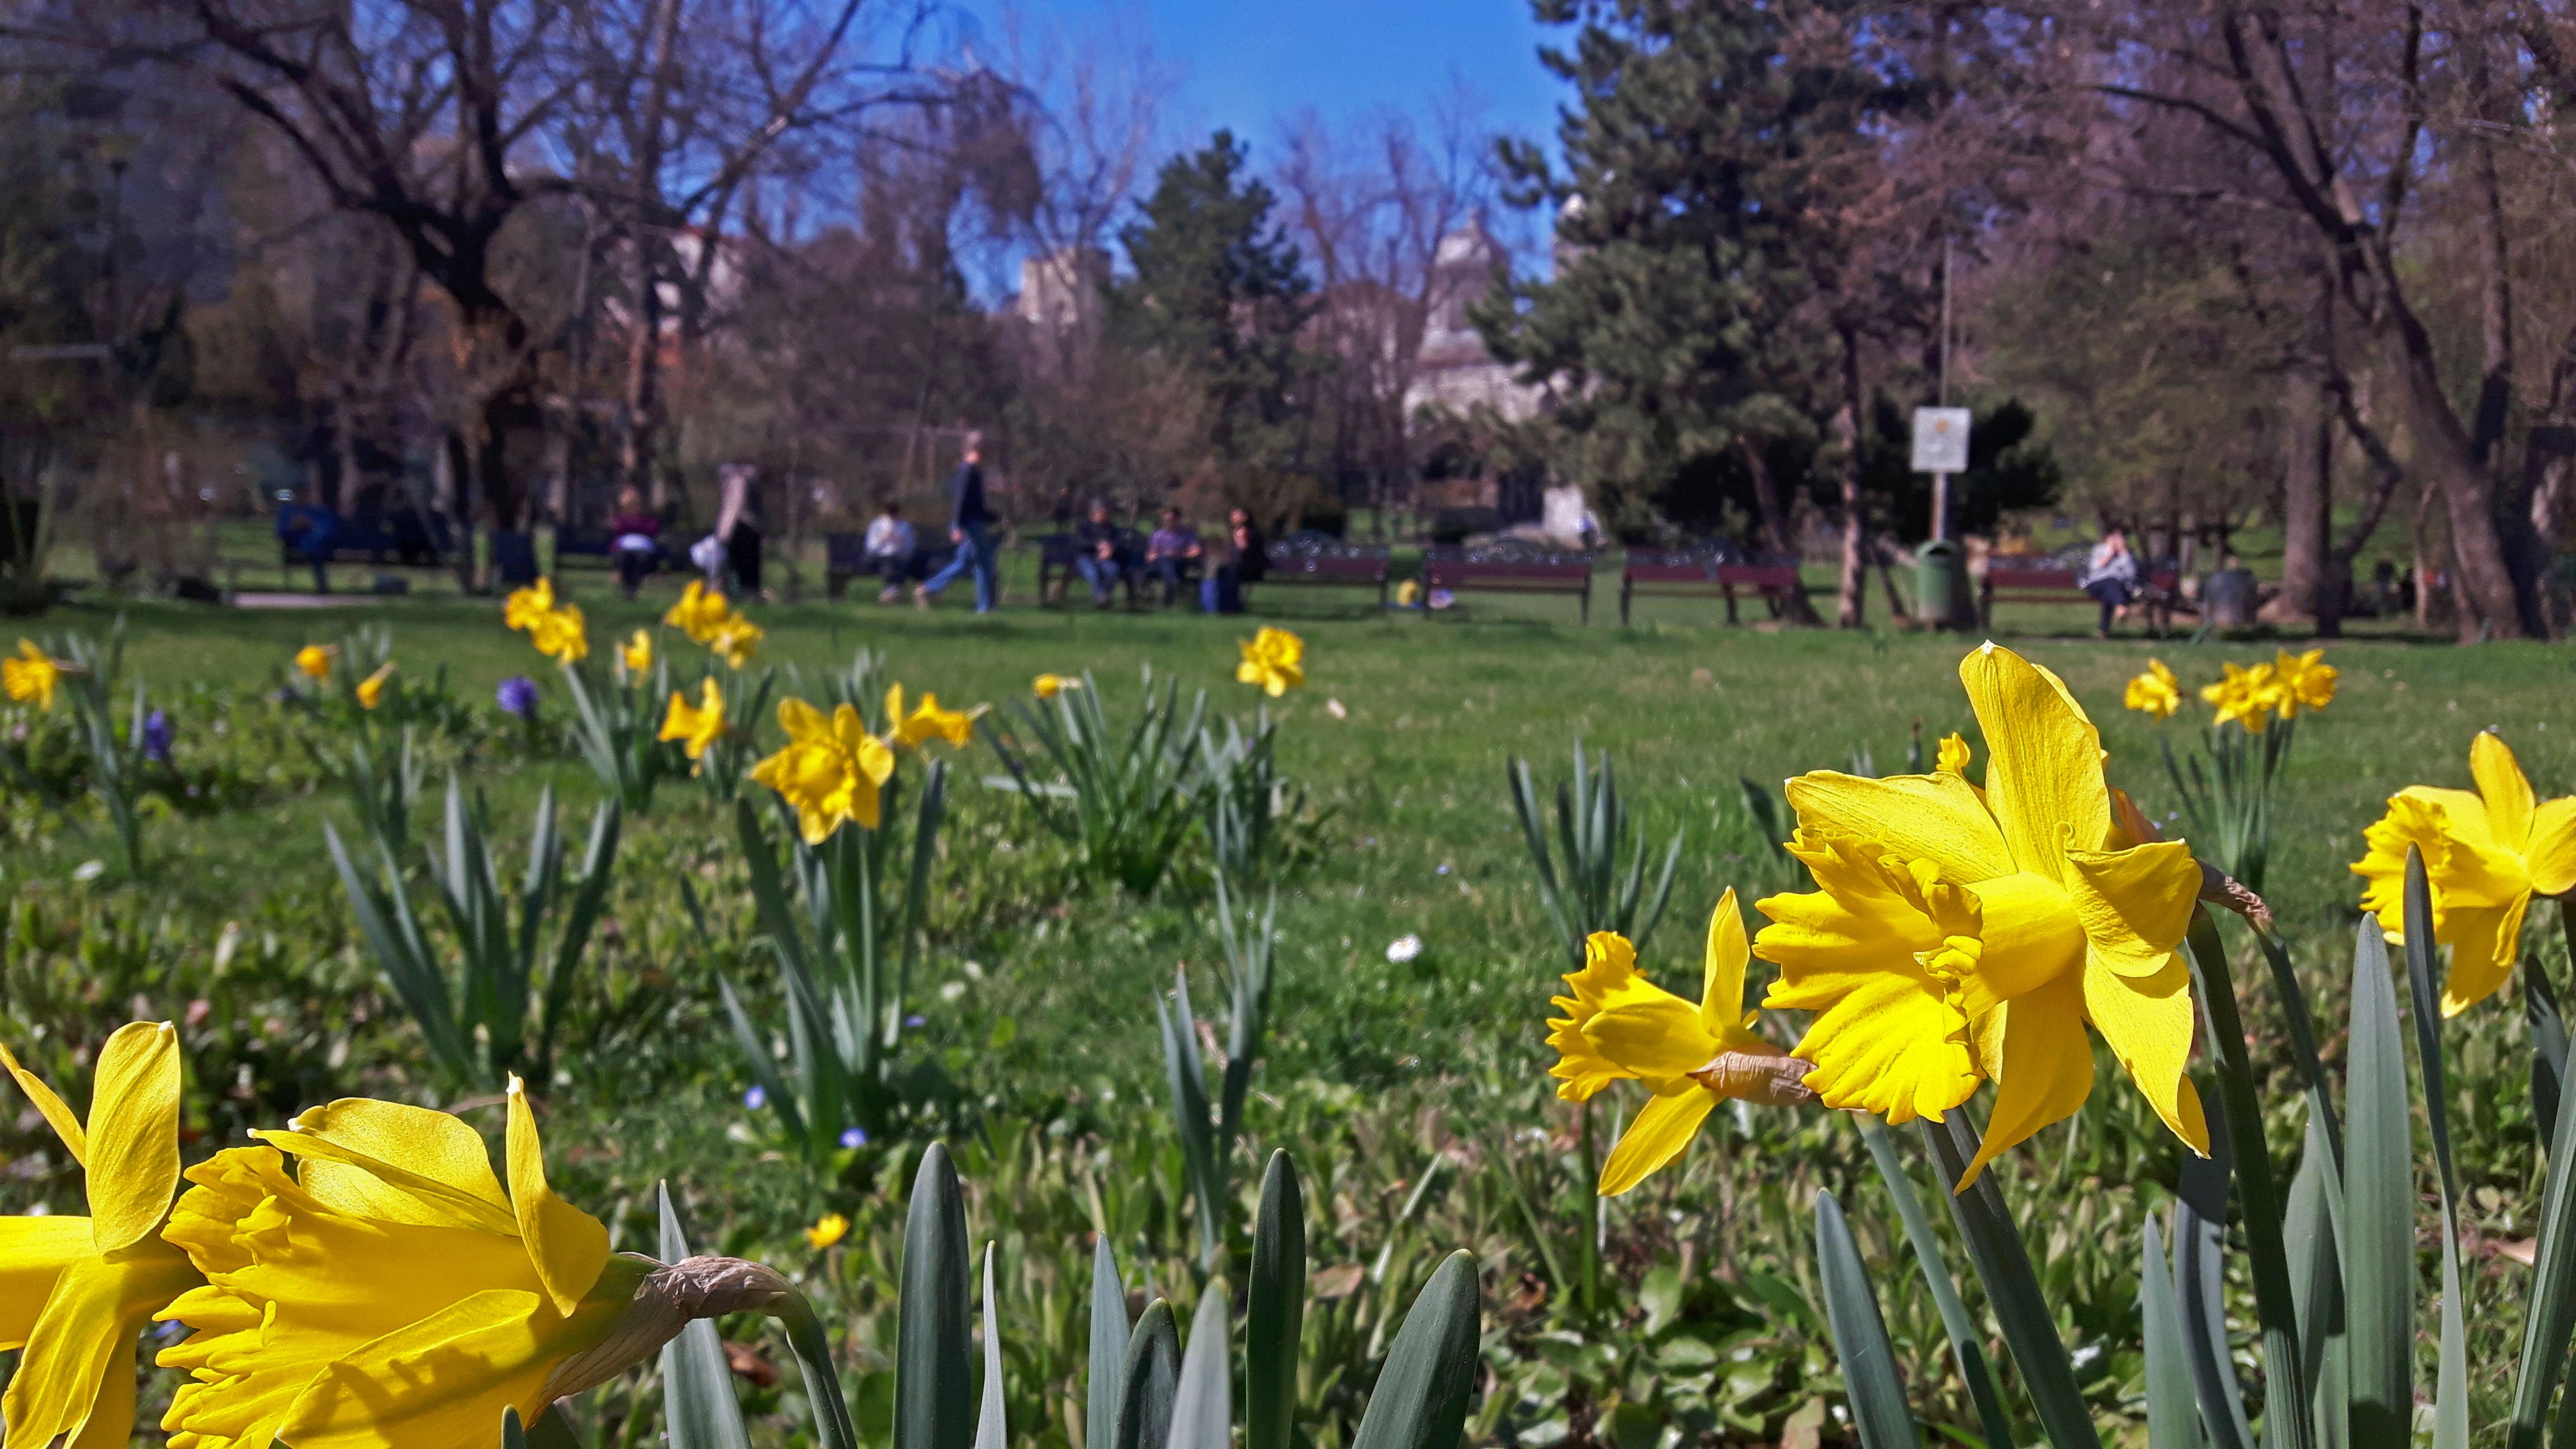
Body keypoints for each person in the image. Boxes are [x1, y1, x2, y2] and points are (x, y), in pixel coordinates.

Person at [917, 433, 997, 612]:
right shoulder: (967, 470)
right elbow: (960, 501)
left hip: (974, 522)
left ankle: (927, 589)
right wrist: (957, 526)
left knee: (966, 563)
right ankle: (985, 608)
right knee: (983, 563)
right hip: (968, 525)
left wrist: (992, 516)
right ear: (977, 449)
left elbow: (975, 503)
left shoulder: (975, 471)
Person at [2078, 525, 2139, 638]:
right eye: (2115, 537)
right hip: (2097, 584)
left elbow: (2131, 574)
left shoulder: (2127, 555)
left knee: (2110, 592)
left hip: (2118, 588)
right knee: (2110, 582)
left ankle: (2103, 631)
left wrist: (2124, 553)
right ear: (2108, 537)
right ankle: (2120, 607)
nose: (2118, 540)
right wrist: (2110, 553)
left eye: (2121, 537)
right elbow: (2096, 568)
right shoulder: (2099, 550)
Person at [1206, 505, 1265, 614]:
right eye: (1232, 515)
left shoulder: (1249, 532)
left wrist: (1239, 538)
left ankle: (1233, 607)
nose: (1232, 518)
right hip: (1236, 565)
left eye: (1235, 515)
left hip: (1250, 566)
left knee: (1230, 574)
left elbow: (1244, 550)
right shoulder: (1236, 531)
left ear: (1244, 517)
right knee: (1221, 571)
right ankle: (1222, 606)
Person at [607, 486, 662, 599]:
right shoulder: (620, 518)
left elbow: (653, 529)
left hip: (643, 547)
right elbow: (617, 530)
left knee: (641, 560)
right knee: (625, 559)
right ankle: (627, 586)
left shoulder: (647, 518)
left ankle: (633, 587)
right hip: (624, 547)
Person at [1072, 499, 1126, 607]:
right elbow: (1080, 543)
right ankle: (1102, 597)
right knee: (1092, 573)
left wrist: (1111, 549)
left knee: (1113, 570)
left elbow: (1119, 543)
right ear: (1094, 512)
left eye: (1105, 512)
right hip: (1086, 558)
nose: (1104, 514)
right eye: (1102, 512)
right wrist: (1096, 545)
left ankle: (1103, 597)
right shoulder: (1084, 527)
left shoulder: (1111, 528)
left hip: (1105, 559)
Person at [1144, 506, 1201, 607]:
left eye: (1171, 519)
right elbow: (1150, 555)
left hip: (1181, 563)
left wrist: (1182, 554)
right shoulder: (1158, 535)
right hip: (1160, 565)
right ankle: (1172, 583)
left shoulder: (1187, 534)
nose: (1169, 522)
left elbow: (1197, 550)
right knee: (1165, 560)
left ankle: (1169, 591)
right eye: (1167, 519)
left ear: (1178, 519)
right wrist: (1158, 555)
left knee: (1169, 564)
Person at [864, 500, 917, 603]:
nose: (892, 516)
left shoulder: (905, 526)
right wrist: (883, 539)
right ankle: (892, 591)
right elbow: (870, 548)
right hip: (879, 557)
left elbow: (910, 547)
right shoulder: (877, 525)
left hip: (899, 557)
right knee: (889, 562)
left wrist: (901, 542)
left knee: (899, 562)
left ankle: (892, 592)